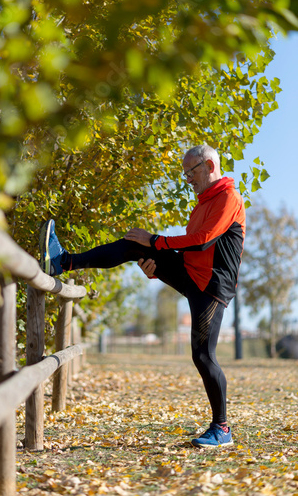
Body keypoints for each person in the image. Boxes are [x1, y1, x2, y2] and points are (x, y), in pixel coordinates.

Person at [39, 144, 245, 448]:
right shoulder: (201, 203)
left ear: (210, 166)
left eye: (192, 171)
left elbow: (202, 242)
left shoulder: (228, 197)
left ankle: (222, 428)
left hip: (212, 287)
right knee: (134, 243)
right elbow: (189, 252)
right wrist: (156, 268)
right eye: (185, 173)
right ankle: (63, 262)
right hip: (190, 274)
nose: (188, 178)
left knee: (203, 356)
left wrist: (156, 240)